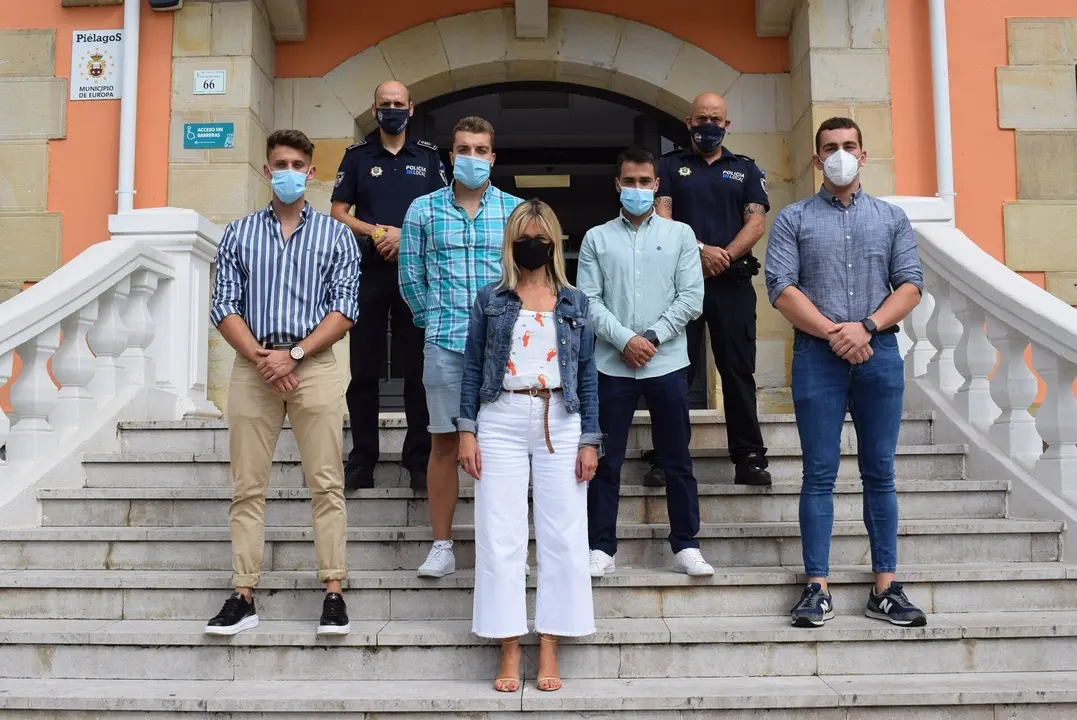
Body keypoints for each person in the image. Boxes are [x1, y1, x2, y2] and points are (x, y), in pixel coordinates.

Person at [764, 117, 927, 629]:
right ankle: (817, 586)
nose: (840, 154)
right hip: (818, 358)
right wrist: (838, 332)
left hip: (879, 356)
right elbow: (781, 289)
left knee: (880, 472)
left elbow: (911, 285)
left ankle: (886, 587)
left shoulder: (892, 218)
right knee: (819, 474)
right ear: (817, 160)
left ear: (864, 154)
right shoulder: (792, 219)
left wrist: (867, 327)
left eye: (849, 146)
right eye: (830, 147)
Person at [205, 129, 359, 636]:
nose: (288, 171)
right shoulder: (238, 234)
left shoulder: (336, 236)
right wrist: (261, 357)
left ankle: (333, 592)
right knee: (247, 486)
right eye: (279, 163)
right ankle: (243, 593)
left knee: (326, 484)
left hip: (313, 367)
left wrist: (292, 355)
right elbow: (223, 304)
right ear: (266, 170)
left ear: (311, 173)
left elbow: (345, 309)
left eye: (297, 164)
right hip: (253, 370)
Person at [457, 199, 600, 693]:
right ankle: (509, 645)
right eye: (524, 235)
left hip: (560, 417)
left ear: (555, 242)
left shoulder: (575, 302)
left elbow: (587, 375)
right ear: (512, 241)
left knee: (563, 535)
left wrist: (589, 439)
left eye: (541, 235)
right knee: (500, 534)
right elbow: (473, 367)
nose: (533, 244)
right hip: (500, 418)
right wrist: (467, 429)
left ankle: (550, 645)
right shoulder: (491, 298)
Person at [578, 146, 712, 578]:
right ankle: (601, 548)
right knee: (605, 460)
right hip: (611, 365)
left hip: (667, 362)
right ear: (618, 185)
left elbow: (691, 297)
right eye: (629, 181)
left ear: (656, 185)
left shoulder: (680, 236)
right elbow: (588, 302)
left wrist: (650, 338)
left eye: (645, 181)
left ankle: (686, 545)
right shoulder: (596, 238)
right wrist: (625, 339)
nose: (637, 188)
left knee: (677, 458)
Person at [399, 116, 523, 578]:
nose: (471, 157)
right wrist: (433, 323)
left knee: (506, 447)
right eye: (463, 149)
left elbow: (525, 277)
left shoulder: (514, 211)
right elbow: (411, 280)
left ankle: (505, 547)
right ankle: (442, 545)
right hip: (445, 345)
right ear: (451, 156)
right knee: (444, 445)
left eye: (480, 150)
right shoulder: (422, 211)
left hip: (505, 350)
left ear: (493, 157)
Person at [651, 91, 772, 488]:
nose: (708, 126)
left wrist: (724, 256)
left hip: (732, 285)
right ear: (688, 122)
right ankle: (667, 455)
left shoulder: (746, 169)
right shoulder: (668, 167)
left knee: (738, 371)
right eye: (701, 118)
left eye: (716, 120)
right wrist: (700, 252)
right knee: (673, 373)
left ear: (727, 125)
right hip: (680, 286)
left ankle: (749, 456)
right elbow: (662, 215)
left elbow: (755, 223)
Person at [331, 81, 447, 491]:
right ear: (375, 108)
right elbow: (339, 211)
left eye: (399, 104)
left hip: (416, 274)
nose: (392, 110)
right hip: (369, 272)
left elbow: (443, 212)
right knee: (363, 368)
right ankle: (363, 458)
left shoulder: (430, 159)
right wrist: (377, 231)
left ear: (411, 109)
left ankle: (418, 459)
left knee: (417, 370)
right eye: (385, 104)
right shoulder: (358, 157)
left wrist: (406, 237)